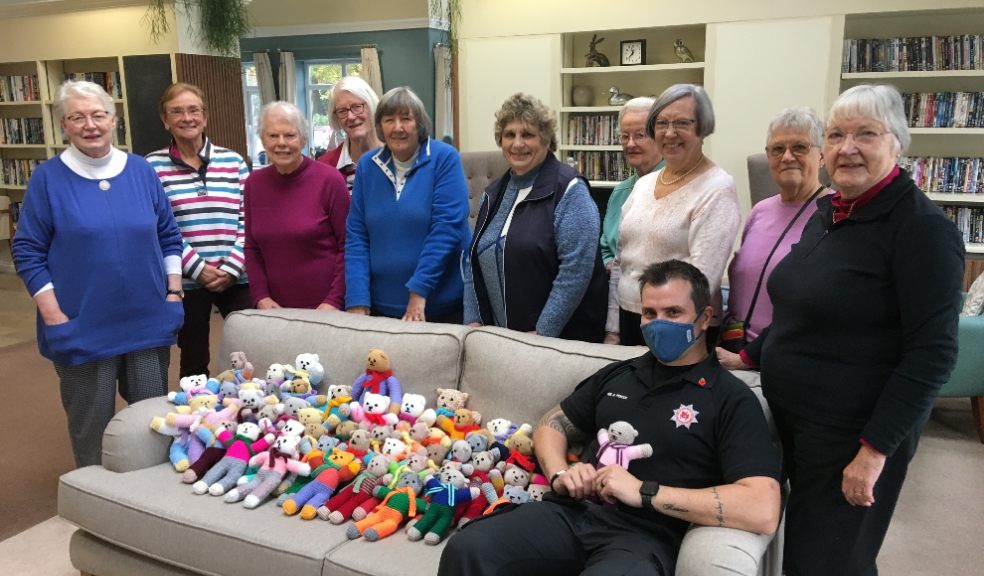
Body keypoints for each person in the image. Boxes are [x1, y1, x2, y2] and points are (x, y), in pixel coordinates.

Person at [741, 84, 964, 576]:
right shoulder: (831, 213)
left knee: (828, 561)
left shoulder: (921, 230)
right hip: (795, 421)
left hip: (853, 434)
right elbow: (800, 304)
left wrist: (873, 452)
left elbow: (932, 355)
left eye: (866, 133)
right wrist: (752, 356)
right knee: (804, 546)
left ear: (898, 144)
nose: (847, 147)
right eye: (837, 134)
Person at [440, 259, 781, 576]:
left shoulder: (730, 399)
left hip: (644, 536)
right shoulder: (619, 375)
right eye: (650, 313)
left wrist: (645, 492)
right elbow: (551, 423)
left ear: (705, 318)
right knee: (469, 547)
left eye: (673, 312)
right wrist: (561, 472)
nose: (659, 323)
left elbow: (762, 508)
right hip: (570, 514)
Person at [12, 80, 184, 468]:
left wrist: (173, 292)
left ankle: (152, 499)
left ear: (113, 119)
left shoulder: (141, 171)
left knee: (152, 421)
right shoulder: (48, 179)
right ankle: (96, 499)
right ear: (63, 125)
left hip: (146, 321)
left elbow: (169, 235)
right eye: (77, 117)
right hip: (82, 325)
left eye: (98, 115)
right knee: (91, 425)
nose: (90, 125)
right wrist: (53, 315)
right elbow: (27, 250)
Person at [464, 92, 606, 342]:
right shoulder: (494, 193)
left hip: (557, 345)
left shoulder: (570, 190)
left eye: (527, 134)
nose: (517, 144)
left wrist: (541, 335)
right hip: (498, 340)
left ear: (546, 139)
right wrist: (472, 323)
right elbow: (472, 261)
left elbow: (575, 272)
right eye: (509, 134)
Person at [613, 84, 739, 346]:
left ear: (702, 128)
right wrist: (614, 325)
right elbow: (621, 259)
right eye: (661, 123)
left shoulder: (717, 188)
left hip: (679, 326)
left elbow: (701, 279)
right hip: (630, 317)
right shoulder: (644, 184)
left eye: (682, 122)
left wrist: (662, 319)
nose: (670, 133)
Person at [146, 82, 251, 378]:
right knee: (193, 361)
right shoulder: (150, 167)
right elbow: (157, 228)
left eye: (193, 110)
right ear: (165, 120)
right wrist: (197, 268)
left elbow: (250, 219)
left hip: (237, 277)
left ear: (205, 117)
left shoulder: (234, 162)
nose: (186, 117)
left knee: (248, 354)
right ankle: (194, 417)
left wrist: (231, 267)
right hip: (186, 281)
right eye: (176, 112)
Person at [345, 86, 469, 323]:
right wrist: (357, 299)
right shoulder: (367, 166)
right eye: (389, 120)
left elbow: (448, 228)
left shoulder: (444, 158)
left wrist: (419, 290)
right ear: (380, 126)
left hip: (438, 305)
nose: (397, 127)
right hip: (379, 306)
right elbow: (357, 235)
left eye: (406, 119)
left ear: (419, 124)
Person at [715, 107, 831, 358]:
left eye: (799, 147)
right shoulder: (760, 211)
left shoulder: (835, 213)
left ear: (821, 156)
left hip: (786, 357)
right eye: (777, 149)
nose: (787, 157)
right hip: (732, 350)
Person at [244, 101, 350, 310]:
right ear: (263, 140)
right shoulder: (253, 183)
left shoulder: (330, 180)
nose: (281, 143)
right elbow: (252, 247)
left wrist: (333, 300)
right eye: (273, 136)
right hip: (274, 309)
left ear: (303, 139)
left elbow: (348, 245)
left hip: (326, 309)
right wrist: (260, 296)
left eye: (290, 135)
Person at [603, 96, 664, 344]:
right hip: (621, 306)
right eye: (624, 136)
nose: (630, 144)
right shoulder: (620, 192)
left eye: (640, 135)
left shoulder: (677, 188)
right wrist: (608, 261)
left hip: (661, 312)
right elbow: (605, 244)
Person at [317, 76, 382, 191]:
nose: (350, 117)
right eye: (342, 111)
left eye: (357, 107)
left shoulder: (398, 159)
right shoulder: (324, 167)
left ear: (371, 105)